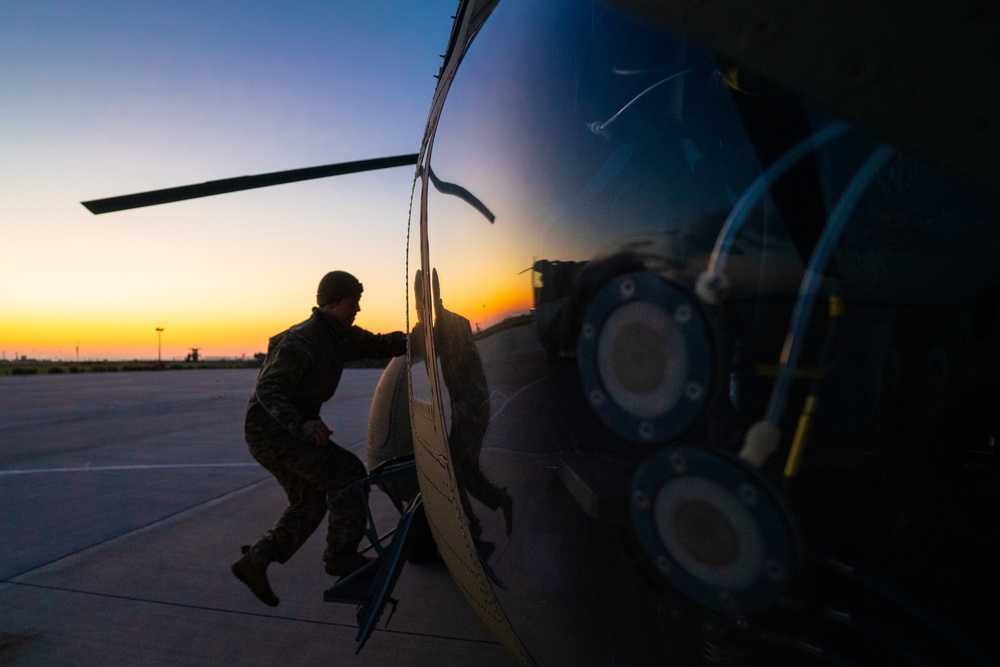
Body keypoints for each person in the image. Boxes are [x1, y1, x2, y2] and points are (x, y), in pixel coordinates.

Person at [231, 270, 407, 607]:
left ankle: (255, 562)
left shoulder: (338, 336)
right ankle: (341, 558)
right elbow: (268, 388)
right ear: (335, 302)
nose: (358, 309)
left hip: (283, 432)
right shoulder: (305, 340)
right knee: (349, 474)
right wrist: (304, 426)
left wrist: (420, 338)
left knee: (310, 502)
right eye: (354, 302)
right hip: (271, 432)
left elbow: (379, 344)